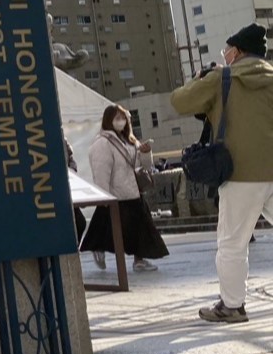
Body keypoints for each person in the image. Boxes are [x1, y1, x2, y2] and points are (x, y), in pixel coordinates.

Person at [172, 24, 273, 323]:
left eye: (226, 51)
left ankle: (232, 305)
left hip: (241, 173)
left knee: (232, 243)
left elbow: (180, 101)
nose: (224, 56)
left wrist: (204, 77)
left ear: (237, 51)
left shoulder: (222, 77)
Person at [80, 105, 169, 273]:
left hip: (133, 191)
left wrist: (145, 153)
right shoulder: (103, 143)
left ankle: (139, 259)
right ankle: (98, 247)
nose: (121, 121)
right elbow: (101, 170)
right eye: (117, 118)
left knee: (140, 227)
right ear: (109, 120)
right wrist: (103, 194)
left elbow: (143, 165)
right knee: (109, 226)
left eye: (123, 118)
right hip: (116, 194)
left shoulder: (130, 140)